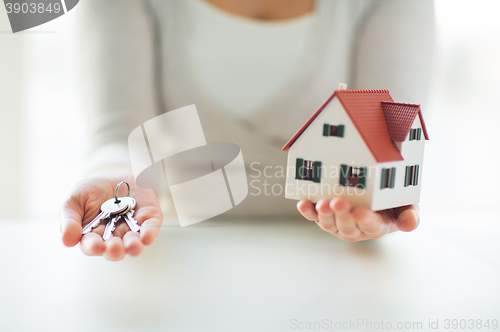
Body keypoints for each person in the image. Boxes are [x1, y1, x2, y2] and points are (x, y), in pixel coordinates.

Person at [60, 0, 435, 260]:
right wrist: (111, 173)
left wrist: (388, 198)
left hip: (341, 264)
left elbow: (388, 133)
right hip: (179, 256)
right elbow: (118, 133)